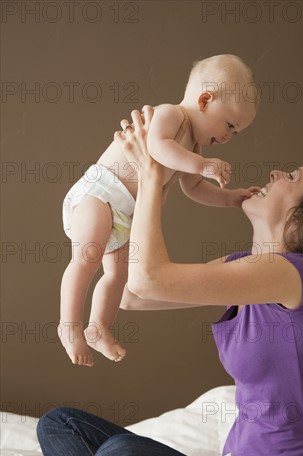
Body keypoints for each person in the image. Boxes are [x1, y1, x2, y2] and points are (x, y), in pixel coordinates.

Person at [37, 108, 303, 456]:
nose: (276, 172)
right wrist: (126, 196)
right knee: (60, 426)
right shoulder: (248, 270)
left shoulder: (297, 273)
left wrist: (151, 174)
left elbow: (149, 279)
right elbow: (132, 294)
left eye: (292, 178)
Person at [59, 54, 259, 367]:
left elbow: (193, 189)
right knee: (88, 257)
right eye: (229, 124)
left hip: (125, 215)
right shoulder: (171, 115)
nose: (227, 136)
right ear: (205, 100)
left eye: (235, 132)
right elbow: (156, 148)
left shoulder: (193, 147)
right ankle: (69, 326)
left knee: (118, 275)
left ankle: (98, 327)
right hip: (100, 194)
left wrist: (231, 198)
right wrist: (203, 164)